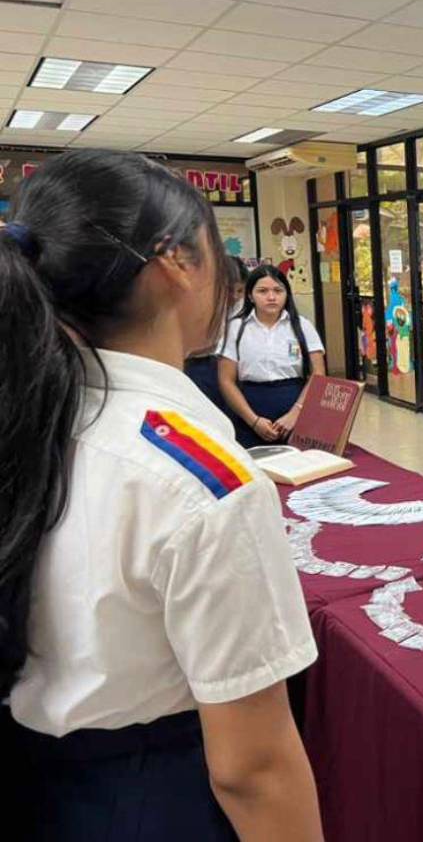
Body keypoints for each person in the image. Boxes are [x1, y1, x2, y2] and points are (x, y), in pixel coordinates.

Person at [0, 149, 323, 840]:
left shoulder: (31, 417)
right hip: (150, 798)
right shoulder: (201, 484)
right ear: (177, 260)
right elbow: (253, 770)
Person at [218, 264, 324, 448]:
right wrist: (253, 421)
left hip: (295, 407)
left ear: (286, 294)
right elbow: (226, 380)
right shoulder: (235, 328)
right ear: (250, 296)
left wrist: (296, 413)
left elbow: (318, 375)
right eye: (263, 291)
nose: (271, 297)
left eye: (278, 290)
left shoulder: (302, 326)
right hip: (249, 410)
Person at [184, 255, 248, 414]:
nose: (235, 296)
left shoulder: (246, 308)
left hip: (237, 367)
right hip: (203, 366)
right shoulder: (197, 306)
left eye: (240, 290)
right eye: (228, 290)